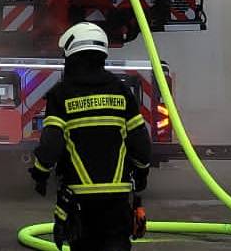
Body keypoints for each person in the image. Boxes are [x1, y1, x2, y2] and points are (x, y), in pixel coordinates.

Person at [29, 22, 152, 251]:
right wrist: (142, 172)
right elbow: (141, 145)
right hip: (117, 200)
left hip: (80, 201)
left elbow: (51, 145)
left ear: (71, 56)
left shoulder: (61, 94)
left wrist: (40, 173)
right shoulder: (121, 90)